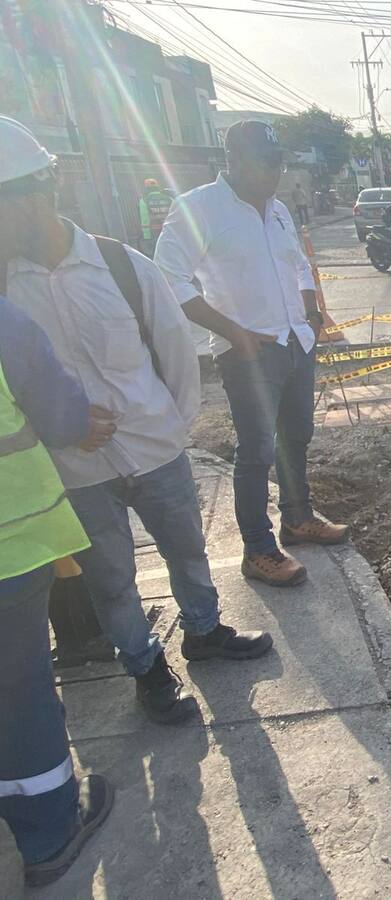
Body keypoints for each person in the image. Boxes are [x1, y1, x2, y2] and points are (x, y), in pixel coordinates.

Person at [0, 115, 273, 725]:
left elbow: (177, 353)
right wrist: (64, 426)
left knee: (188, 551)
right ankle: (147, 669)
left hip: (155, 449)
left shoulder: (120, 267)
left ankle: (204, 632)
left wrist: (169, 427)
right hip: (76, 467)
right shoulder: (5, 291)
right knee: (112, 580)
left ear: (40, 192)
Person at [155, 120, 348, 588]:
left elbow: (299, 263)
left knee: (296, 435)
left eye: (280, 161)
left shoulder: (279, 210)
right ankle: (258, 550)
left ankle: (298, 519)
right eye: (267, 162)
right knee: (256, 451)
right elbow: (166, 275)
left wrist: (310, 311)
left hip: (294, 343)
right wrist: (231, 331)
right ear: (234, 161)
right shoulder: (198, 209)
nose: (276, 171)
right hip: (248, 353)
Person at [0, 295, 115, 887]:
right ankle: (49, 830)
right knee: (19, 693)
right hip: (9, 546)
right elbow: (62, 413)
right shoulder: (5, 320)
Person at [138, 178, 172, 255]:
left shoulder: (144, 201)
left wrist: (147, 236)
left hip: (155, 232)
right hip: (169, 229)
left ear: (147, 189)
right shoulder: (169, 199)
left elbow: (145, 220)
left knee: (158, 254)